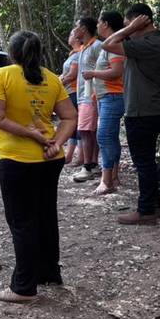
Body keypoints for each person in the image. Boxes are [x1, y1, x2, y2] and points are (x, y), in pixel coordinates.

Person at [0, 31, 77, 303]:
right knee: (45, 215)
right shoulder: (51, 78)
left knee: (22, 221)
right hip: (50, 159)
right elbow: (70, 117)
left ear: (12, 53)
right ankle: (49, 273)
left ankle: (24, 287)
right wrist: (55, 142)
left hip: (17, 159)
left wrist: (32, 135)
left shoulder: (1, 76)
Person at [101, 3, 160, 225]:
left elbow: (107, 44)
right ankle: (154, 207)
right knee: (147, 161)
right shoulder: (154, 42)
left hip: (144, 111)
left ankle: (146, 211)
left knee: (143, 163)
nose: (126, 29)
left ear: (140, 21)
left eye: (128, 24)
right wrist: (132, 28)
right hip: (152, 109)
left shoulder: (149, 43)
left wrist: (130, 28)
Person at [82, 11, 126, 195]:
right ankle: (113, 177)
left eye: (99, 22)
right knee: (110, 137)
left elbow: (116, 71)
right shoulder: (109, 45)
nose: (97, 25)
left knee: (104, 137)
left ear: (106, 24)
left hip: (113, 96)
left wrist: (93, 74)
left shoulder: (114, 44)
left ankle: (106, 181)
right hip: (106, 96)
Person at [72, 17, 102, 182]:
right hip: (83, 94)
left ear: (83, 28)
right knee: (90, 130)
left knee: (85, 130)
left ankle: (87, 167)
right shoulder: (84, 48)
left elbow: (104, 67)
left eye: (76, 27)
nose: (74, 30)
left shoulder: (97, 46)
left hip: (91, 95)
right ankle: (93, 165)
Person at [60, 29, 82, 165]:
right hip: (69, 91)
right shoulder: (73, 54)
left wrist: (58, 83)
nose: (69, 36)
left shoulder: (79, 54)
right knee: (73, 124)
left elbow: (72, 75)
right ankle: (69, 155)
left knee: (77, 124)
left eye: (71, 34)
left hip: (75, 91)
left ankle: (80, 156)